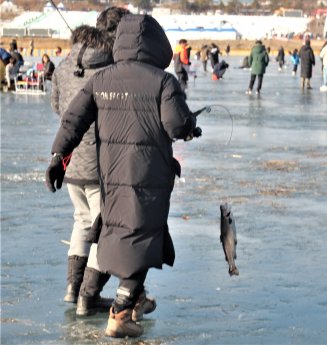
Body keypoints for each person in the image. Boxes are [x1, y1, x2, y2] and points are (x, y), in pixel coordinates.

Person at [45, 14, 201, 338]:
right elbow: (175, 125)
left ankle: (118, 303)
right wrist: (189, 127)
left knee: (118, 231)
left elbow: (72, 119)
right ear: (158, 45)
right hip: (149, 172)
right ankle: (119, 312)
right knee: (143, 234)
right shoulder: (163, 81)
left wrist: (58, 157)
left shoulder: (102, 79)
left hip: (112, 172)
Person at [50, 7, 132, 318]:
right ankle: (88, 296)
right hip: (102, 163)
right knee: (104, 227)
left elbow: (61, 110)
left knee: (82, 221)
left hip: (70, 161)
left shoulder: (62, 66)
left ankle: (73, 288)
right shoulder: (111, 71)